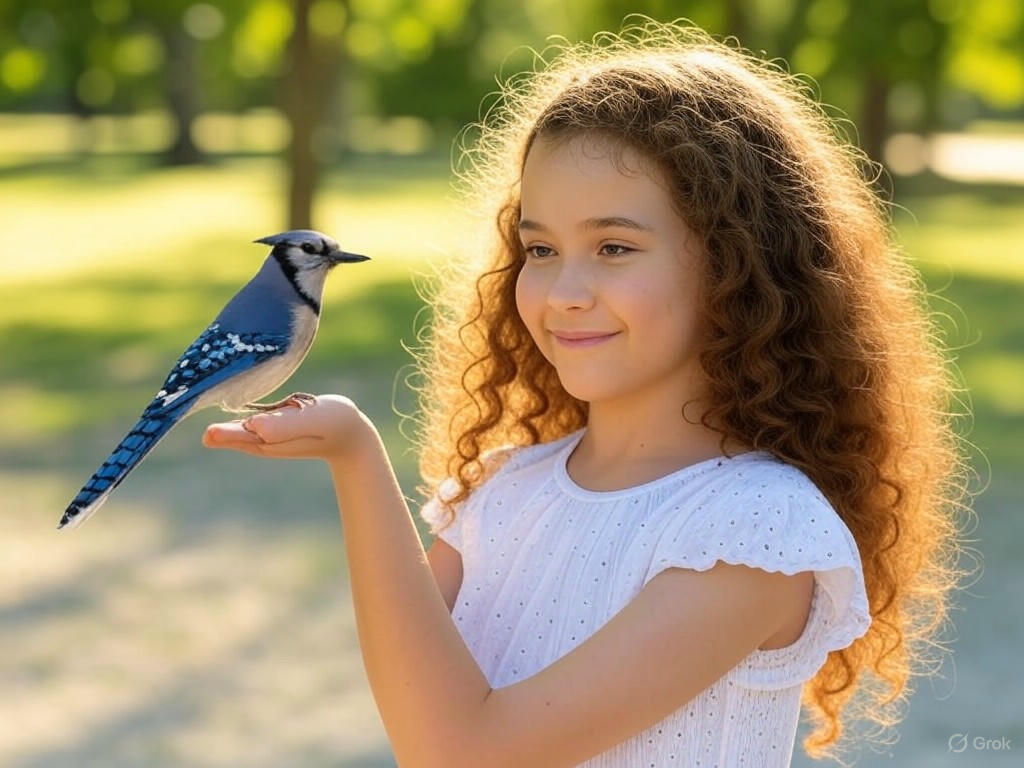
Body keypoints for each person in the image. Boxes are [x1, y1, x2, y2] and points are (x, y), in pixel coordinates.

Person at [203, 18, 975, 768]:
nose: (564, 290)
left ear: (737, 265)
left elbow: (463, 752)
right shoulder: (504, 489)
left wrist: (358, 458)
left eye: (613, 247)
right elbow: (418, 714)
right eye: (540, 248)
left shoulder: (754, 532)